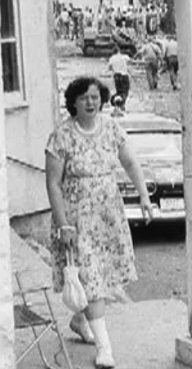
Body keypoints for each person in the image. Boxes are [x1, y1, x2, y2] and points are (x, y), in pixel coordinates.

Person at [45, 77, 154, 368]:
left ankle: (81, 321)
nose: (91, 103)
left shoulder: (111, 129)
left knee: (98, 278)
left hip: (107, 217)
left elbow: (130, 162)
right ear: (73, 102)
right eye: (84, 98)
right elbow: (53, 184)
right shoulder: (62, 136)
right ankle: (104, 348)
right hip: (77, 220)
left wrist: (143, 196)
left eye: (95, 97)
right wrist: (63, 224)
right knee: (92, 279)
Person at [107, 46, 131, 110]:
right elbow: (130, 61)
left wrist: (114, 69)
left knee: (119, 91)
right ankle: (121, 104)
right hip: (124, 75)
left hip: (116, 76)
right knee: (125, 91)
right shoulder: (124, 57)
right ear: (119, 51)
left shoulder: (112, 58)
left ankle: (117, 102)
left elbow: (109, 68)